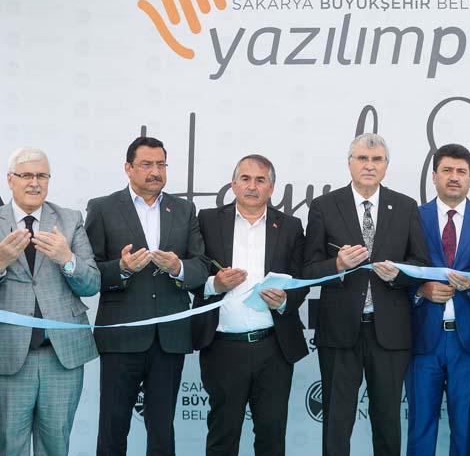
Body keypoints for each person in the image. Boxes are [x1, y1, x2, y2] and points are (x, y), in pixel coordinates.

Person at [303, 133, 430, 456]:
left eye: (376, 160)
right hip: (339, 330)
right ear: (349, 163)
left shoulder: (405, 206)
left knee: (387, 420)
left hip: (390, 332)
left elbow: (421, 264)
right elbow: (308, 269)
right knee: (337, 420)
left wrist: (399, 274)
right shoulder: (324, 206)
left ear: (386, 165)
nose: (369, 166)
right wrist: (337, 264)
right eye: (362, 159)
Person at [85, 136, 209, 456]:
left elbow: (201, 266)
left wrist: (179, 267)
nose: (155, 171)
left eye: (161, 164)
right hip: (121, 335)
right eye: (147, 164)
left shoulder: (183, 209)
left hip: (169, 337)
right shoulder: (103, 208)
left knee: (162, 430)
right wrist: (122, 268)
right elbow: (89, 272)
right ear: (128, 168)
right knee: (113, 427)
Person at [191, 155, 308, 456]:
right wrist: (214, 285)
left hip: (273, 348)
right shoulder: (207, 221)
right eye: (245, 179)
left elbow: (301, 281)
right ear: (233, 184)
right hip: (223, 348)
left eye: (260, 180)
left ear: (271, 188)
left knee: (271, 437)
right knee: (222, 437)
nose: (252, 186)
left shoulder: (291, 226)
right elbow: (191, 273)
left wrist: (285, 300)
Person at [0, 147, 100, 455]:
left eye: (42, 175)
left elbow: (92, 284)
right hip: (8, 355)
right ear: (10, 179)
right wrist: (0, 261)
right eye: (26, 175)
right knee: (9, 446)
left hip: (61, 358)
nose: (34, 182)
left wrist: (67, 259)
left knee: (56, 446)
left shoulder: (70, 220)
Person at [406, 144, 470, 456]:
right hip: (423, 338)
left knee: (465, 428)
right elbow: (396, 271)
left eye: (461, 171)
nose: (454, 177)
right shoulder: (412, 217)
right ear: (434, 175)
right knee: (420, 427)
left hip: (468, 339)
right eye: (447, 170)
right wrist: (420, 291)